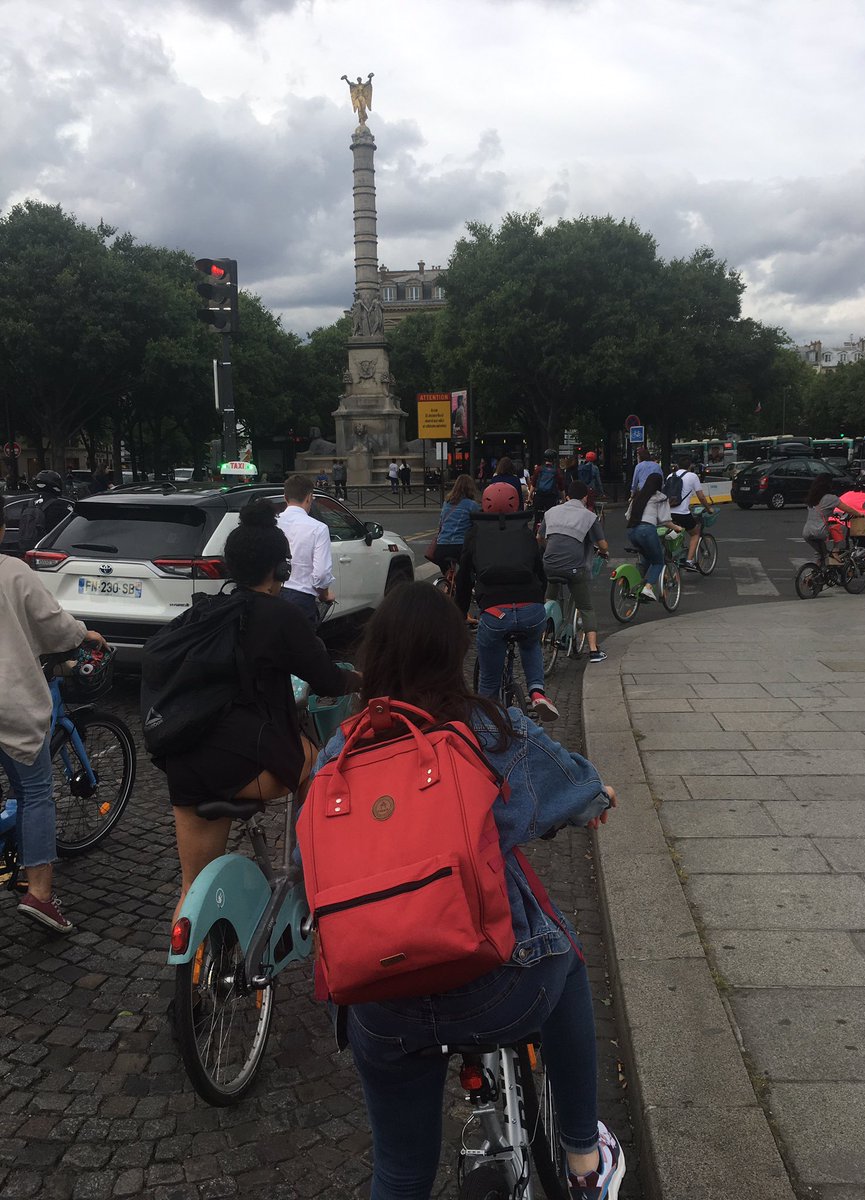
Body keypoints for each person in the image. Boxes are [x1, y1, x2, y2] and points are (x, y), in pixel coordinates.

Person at [315, 581, 625, 1200]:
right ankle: (583, 1159)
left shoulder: (338, 753)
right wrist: (597, 800)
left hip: (380, 994)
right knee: (566, 959)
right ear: (454, 651)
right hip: (497, 984)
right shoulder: (488, 730)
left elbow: (311, 866)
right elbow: (576, 791)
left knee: (400, 1171)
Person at [160, 499, 359, 925]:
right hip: (246, 762)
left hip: (184, 760)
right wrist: (360, 679)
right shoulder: (281, 615)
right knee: (319, 763)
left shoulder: (202, 612)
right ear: (280, 569)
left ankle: (185, 959)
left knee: (191, 886)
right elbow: (327, 680)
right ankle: (311, 866)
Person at [0, 492, 109, 933]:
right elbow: (54, 624)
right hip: (9, 704)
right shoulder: (13, 572)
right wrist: (85, 635)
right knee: (35, 791)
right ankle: (41, 894)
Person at [455, 481, 558, 721]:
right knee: (530, 644)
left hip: (495, 612)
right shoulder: (525, 532)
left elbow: (463, 579)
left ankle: (486, 724)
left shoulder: (475, 534)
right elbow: (540, 573)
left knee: (489, 682)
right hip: (531, 609)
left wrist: (460, 613)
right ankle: (537, 691)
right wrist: (538, 599)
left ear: (485, 505)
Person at [540, 480, 609, 664]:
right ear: (585, 497)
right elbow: (603, 545)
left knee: (550, 597)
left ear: (567, 496)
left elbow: (540, 537)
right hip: (574, 568)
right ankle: (594, 650)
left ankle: (547, 626)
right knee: (586, 607)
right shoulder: (589, 516)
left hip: (549, 564)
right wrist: (603, 552)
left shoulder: (551, 512)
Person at [276, 474, 335, 624]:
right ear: (309, 498)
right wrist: (324, 594)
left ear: (285, 497)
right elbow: (321, 574)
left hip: (271, 594)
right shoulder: (319, 528)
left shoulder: (273, 523)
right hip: (301, 598)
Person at [626, 471, 682, 600]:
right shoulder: (660, 497)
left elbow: (628, 516)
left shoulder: (638, 495)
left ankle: (634, 586)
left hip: (632, 531)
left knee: (646, 558)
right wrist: (677, 528)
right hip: (647, 531)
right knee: (658, 562)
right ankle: (648, 587)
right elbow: (665, 521)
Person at [665, 455, 714, 571]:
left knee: (675, 533)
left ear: (677, 466)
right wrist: (708, 509)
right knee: (695, 533)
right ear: (690, 466)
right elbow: (701, 497)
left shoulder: (670, 476)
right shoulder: (692, 476)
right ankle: (689, 561)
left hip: (668, 513)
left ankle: (675, 555)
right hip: (682, 513)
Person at [802, 476, 865, 565]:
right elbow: (848, 509)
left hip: (807, 532)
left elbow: (821, 512)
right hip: (820, 532)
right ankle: (835, 551)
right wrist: (859, 514)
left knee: (821, 552)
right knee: (841, 528)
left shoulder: (812, 498)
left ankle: (816, 571)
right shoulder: (830, 498)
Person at [433, 474, 481, 580]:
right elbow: (479, 524)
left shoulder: (446, 503)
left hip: (441, 547)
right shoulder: (472, 505)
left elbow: (440, 524)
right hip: (460, 547)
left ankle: (449, 582)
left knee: (448, 574)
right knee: (470, 571)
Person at [16, 470, 74, 553]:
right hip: (50, 549)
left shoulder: (28, 504)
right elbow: (70, 530)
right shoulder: (59, 505)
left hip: (27, 549)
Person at [531, 450, 565, 522]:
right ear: (554, 459)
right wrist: (563, 499)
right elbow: (561, 487)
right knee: (551, 518)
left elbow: (533, 484)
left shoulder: (539, 469)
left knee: (537, 518)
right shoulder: (557, 471)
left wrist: (529, 496)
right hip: (551, 498)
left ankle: (536, 526)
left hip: (539, 497)